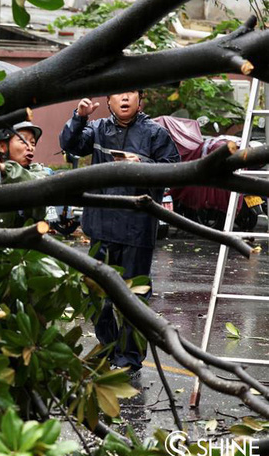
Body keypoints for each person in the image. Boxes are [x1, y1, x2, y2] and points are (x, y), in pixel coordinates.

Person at [59, 90, 180, 373]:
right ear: (110, 101)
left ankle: (130, 359)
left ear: (140, 101)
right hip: (100, 226)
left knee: (133, 299)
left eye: (130, 94)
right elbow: (71, 145)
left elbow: (175, 169)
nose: (124, 99)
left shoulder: (155, 134)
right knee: (95, 296)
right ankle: (110, 347)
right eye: (118, 94)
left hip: (137, 230)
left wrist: (144, 166)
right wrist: (79, 117)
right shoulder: (98, 129)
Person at [0, 121, 51, 226]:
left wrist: (3, 168)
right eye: (23, 141)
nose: (30, 147)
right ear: (2, 146)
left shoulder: (38, 172)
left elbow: (37, 184)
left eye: (33, 143)